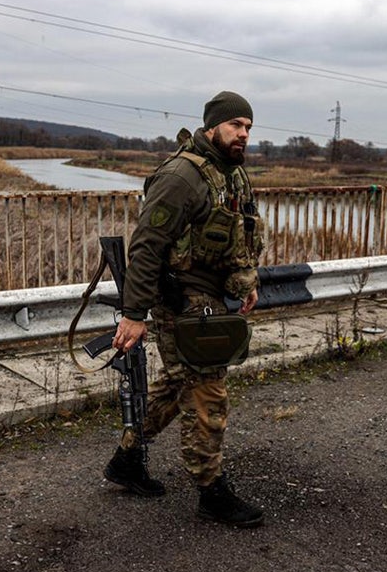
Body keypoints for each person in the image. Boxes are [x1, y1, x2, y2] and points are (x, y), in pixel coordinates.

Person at [103, 91, 266, 527]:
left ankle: (127, 459)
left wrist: (249, 282)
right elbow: (147, 247)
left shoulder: (232, 175)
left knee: (177, 385)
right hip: (184, 304)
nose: (243, 134)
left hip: (216, 298)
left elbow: (241, 235)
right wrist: (134, 314)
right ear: (212, 125)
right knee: (208, 391)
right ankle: (211, 490)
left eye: (248, 127)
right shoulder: (181, 176)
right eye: (235, 125)